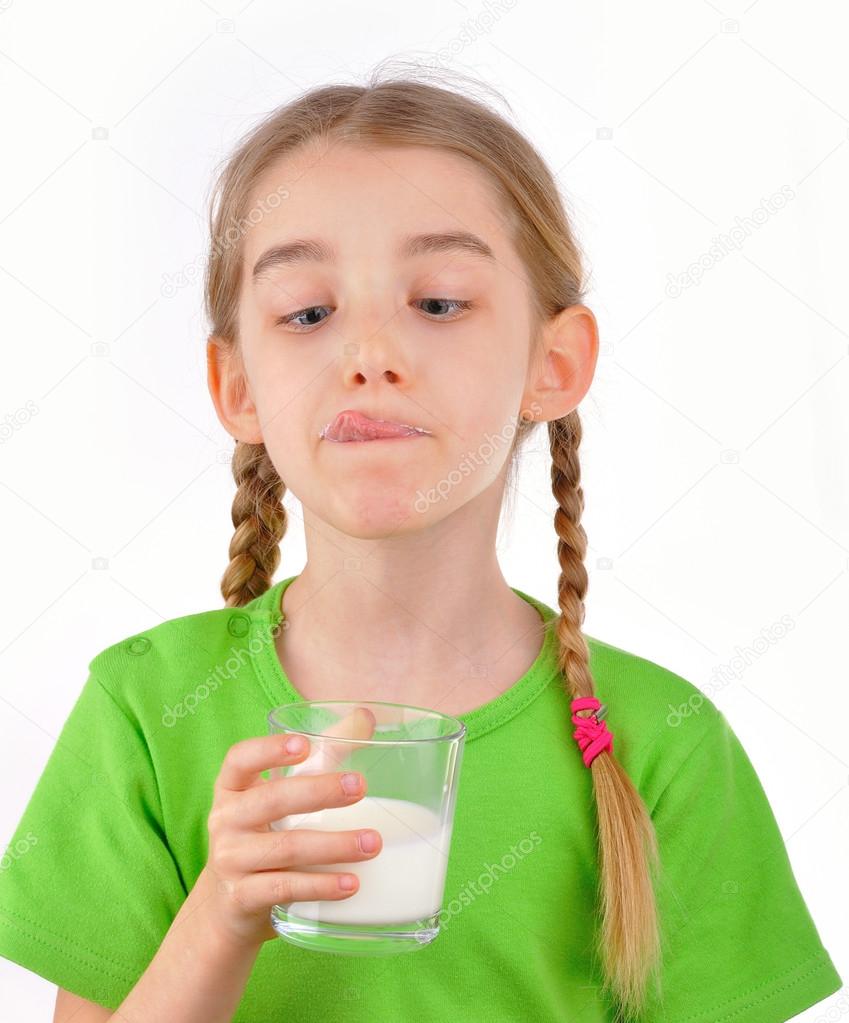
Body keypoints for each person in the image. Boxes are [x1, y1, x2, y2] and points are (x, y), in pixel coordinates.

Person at [0, 63, 842, 1023]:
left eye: (438, 302)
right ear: (238, 387)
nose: (368, 355)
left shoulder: (664, 743)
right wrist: (219, 917)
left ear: (552, 363)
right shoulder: (145, 710)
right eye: (308, 312)